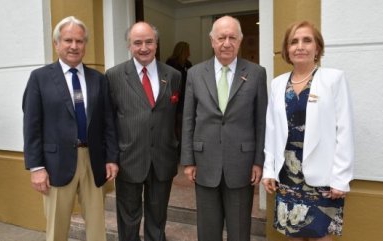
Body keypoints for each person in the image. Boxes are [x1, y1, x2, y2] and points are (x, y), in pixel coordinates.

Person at [22, 16, 118, 241]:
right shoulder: (39, 78)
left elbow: (108, 122)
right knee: (57, 228)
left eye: (79, 41)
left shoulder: (98, 79)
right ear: (56, 44)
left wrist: (111, 158)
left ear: (85, 44)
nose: (74, 46)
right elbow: (31, 125)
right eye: (68, 40)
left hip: (93, 161)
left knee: (97, 228)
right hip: (55, 164)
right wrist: (36, 167)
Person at [261, 21, 354, 241]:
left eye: (307, 40)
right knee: (293, 235)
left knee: (321, 236)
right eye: (294, 41)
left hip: (323, 177)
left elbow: (345, 130)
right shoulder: (277, 84)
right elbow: (271, 130)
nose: (300, 46)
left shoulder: (333, 79)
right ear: (287, 50)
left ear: (318, 48)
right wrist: (269, 170)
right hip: (288, 174)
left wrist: (340, 178)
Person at [180, 15, 268, 241]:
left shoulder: (257, 73)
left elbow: (261, 121)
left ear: (240, 41)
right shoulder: (195, 73)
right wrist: (188, 160)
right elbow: (188, 119)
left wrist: (259, 161)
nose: (226, 43)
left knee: (239, 231)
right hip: (205, 163)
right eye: (221, 37)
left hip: (242, 163)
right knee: (208, 231)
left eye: (232, 37)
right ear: (212, 41)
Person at [105, 22, 181, 241]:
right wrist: (111, 157)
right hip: (128, 159)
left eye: (149, 41)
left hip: (163, 159)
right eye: (137, 43)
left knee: (157, 220)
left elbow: (178, 117)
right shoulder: (114, 76)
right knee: (128, 221)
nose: (144, 47)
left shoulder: (174, 75)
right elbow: (109, 122)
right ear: (129, 46)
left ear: (156, 44)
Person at [166, 41, 192, 147]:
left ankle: (182, 147)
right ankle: (175, 146)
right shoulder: (171, 63)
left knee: (184, 122)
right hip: (174, 96)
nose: (189, 53)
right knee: (174, 122)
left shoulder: (188, 64)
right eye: (187, 50)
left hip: (186, 96)